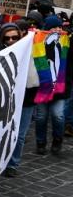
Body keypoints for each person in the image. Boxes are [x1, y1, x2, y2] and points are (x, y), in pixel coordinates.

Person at [33, 15, 72, 155]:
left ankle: (57, 140)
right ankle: (40, 142)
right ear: (47, 29)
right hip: (42, 87)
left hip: (61, 87)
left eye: (59, 27)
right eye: (54, 28)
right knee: (41, 116)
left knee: (58, 116)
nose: (57, 30)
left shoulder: (66, 43)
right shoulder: (37, 42)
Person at [5, 26, 38, 178]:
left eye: (14, 38)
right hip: (5, 100)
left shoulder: (32, 50)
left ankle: (13, 163)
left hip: (27, 99)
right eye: (7, 38)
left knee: (19, 135)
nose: (11, 41)